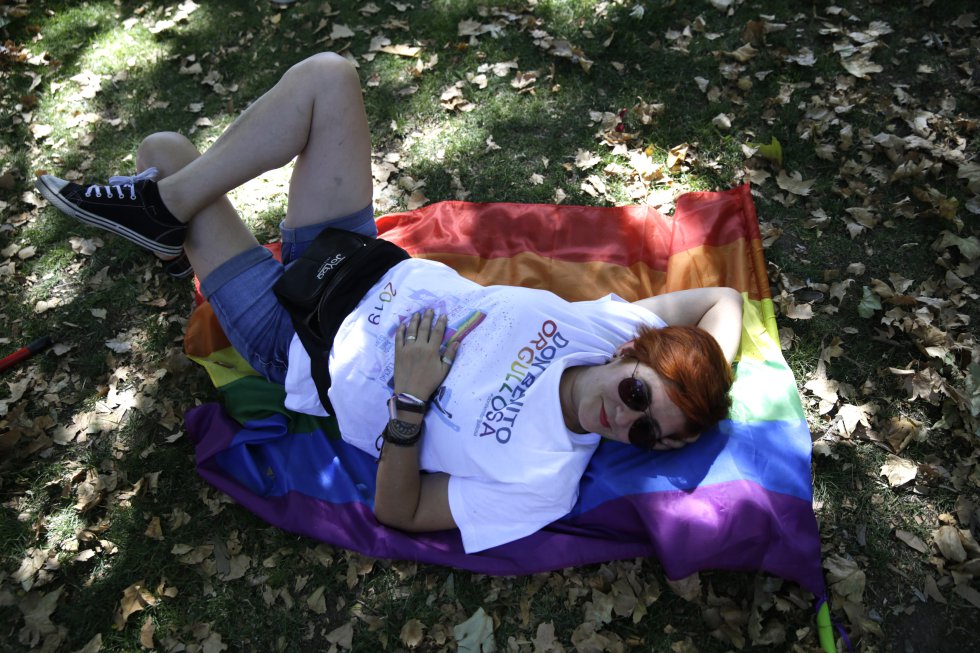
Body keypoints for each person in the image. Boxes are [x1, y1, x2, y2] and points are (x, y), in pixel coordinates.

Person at [35, 53, 743, 553]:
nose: (625, 419)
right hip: (358, 257)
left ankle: (164, 210)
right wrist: (713, 374)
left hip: (300, 338)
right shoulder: (606, 328)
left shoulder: (544, 479)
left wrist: (410, 405)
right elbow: (722, 298)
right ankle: (168, 210)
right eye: (640, 394)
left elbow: (398, 510)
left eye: (649, 434)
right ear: (634, 355)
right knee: (329, 77)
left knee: (163, 147)